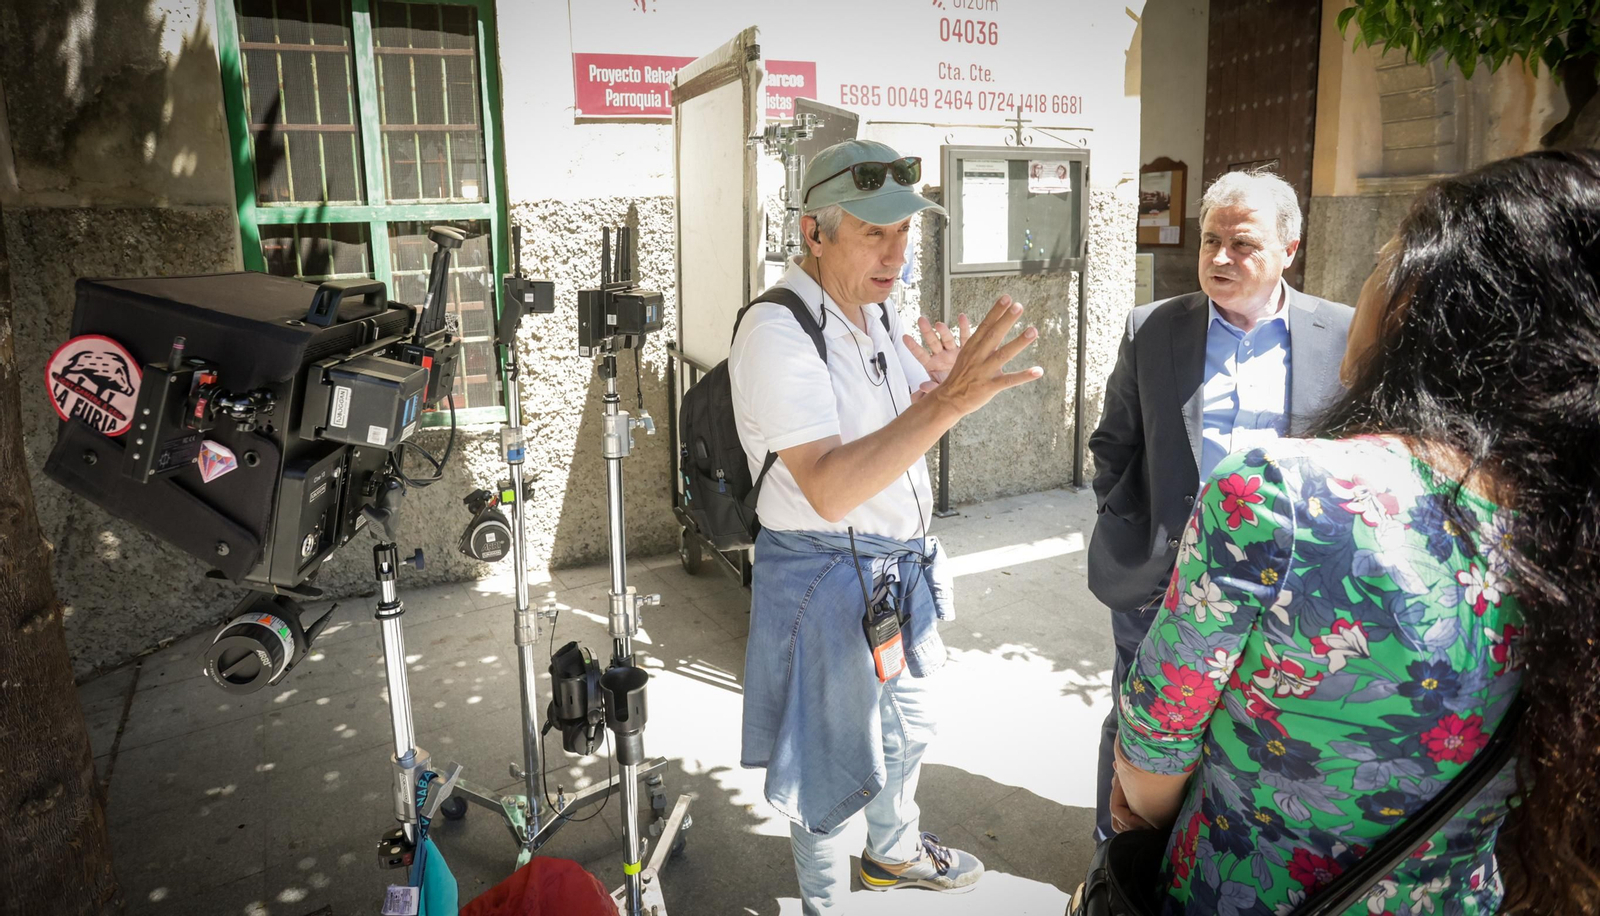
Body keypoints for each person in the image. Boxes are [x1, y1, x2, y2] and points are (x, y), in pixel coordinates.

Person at [1111, 149, 1600, 915]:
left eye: (1386, 260)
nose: (1221, 257)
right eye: (1211, 239)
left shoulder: (1279, 488)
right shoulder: (1570, 519)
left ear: (1419, 304)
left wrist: (1152, 826)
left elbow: (1151, 760)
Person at [730, 139, 1044, 913]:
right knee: (827, 760)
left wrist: (933, 384)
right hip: (823, 571)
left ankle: (893, 853)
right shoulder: (777, 331)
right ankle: (822, 904)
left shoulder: (874, 309)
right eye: (874, 230)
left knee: (910, 725)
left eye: (906, 231)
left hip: (891, 570)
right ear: (813, 231)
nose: (896, 251)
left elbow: (894, 423)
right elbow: (832, 487)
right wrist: (947, 402)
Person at [1086, 168, 1353, 841]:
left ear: (1289, 248)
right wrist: (1130, 526)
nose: (1220, 258)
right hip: (1161, 582)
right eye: (1210, 242)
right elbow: (1114, 442)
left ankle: (1208, 850)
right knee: (1139, 720)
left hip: (1287, 590)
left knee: (1252, 729)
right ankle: (1115, 863)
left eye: (1242, 243)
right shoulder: (1152, 327)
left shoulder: (1340, 334)